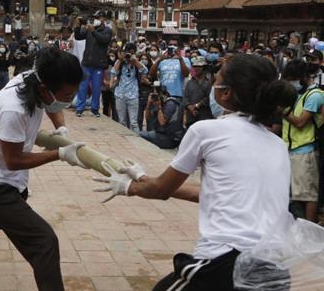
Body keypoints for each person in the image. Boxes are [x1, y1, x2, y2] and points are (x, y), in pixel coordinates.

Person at [94, 54, 296, 291]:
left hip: (226, 261)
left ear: (226, 92)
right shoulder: (278, 145)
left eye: (216, 79)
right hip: (274, 265)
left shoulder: (206, 131)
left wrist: (129, 187)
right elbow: (217, 193)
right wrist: (143, 178)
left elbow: (161, 190)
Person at [0, 49, 86, 291]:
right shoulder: (14, 109)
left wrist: (61, 129)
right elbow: (14, 160)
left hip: (9, 184)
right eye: (67, 95)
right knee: (44, 241)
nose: (69, 100)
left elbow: (53, 104)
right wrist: (59, 154)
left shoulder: (35, 80)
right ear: (45, 88)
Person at [280, 60, 322, 222]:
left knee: (307, 194)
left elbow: (300, 122)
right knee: (293, 193)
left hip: (305, 151)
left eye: (293, 79)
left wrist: (281, 110)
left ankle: (309, 232)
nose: (291, 83)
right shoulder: (297, 95)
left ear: (304, 77)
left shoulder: (315, 95)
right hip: (289, 149)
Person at [73, 11, 112, 117]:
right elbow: (78, 37)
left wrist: (93, 31)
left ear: (103, 19)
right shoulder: (89, 29)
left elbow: (103, 40)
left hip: (99, 64)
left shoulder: (107, 30)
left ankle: (95, 109)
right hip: (86, 62)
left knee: (96, 87)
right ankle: (79, 108)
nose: (96, 19)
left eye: (98, 17)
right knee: (83, 86)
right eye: (95, 17)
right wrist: (77, 26)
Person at [111, 43, 148, 131]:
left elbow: (145, 71)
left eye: (131, 53)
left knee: (133, 123)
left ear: (134, 53)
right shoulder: (120, 61)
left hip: (133, 94)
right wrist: (120, 60)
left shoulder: (136, 61)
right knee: (122, 121)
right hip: (120, 94)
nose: (129, 55)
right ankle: (124, 141)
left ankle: (137, 141)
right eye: (128, 53)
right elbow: (113, 72)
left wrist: (134, 61)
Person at [139, 84, 184, 149]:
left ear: (163, 95)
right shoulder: (159, 102)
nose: (156, 97)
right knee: (140, 134)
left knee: (139, 135)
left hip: (170, 139)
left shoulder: (170, 104)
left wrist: (159, 107)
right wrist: (148, 104)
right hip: (161, 135)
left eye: (157, 95)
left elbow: (162, 122)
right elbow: (148, 118)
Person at [182, 56, 214, 127]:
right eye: (195, 66)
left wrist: (198, 105)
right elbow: (185, 97)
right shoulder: (189, 82)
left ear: (204, 67)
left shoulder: (209, 82)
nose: (196, 68)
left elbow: (210, 97)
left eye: (199, 66)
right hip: (190, 116)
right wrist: (189, 106)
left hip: (205, 115)